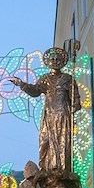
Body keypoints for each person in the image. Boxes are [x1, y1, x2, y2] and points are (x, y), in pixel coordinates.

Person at [10, 47, 81, 177]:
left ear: (62, 61)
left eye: (57, 59)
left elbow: (76, 100)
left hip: (63, 115)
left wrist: (73, 107)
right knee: (45, 142)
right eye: (52, 59)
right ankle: (47, 170)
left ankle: (62, 171)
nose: (54, 61)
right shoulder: (45, 78)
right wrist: (21, 84)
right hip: (49, 115)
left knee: (62, 143)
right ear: (48, 62)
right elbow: (35, 91)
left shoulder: (68, 79)